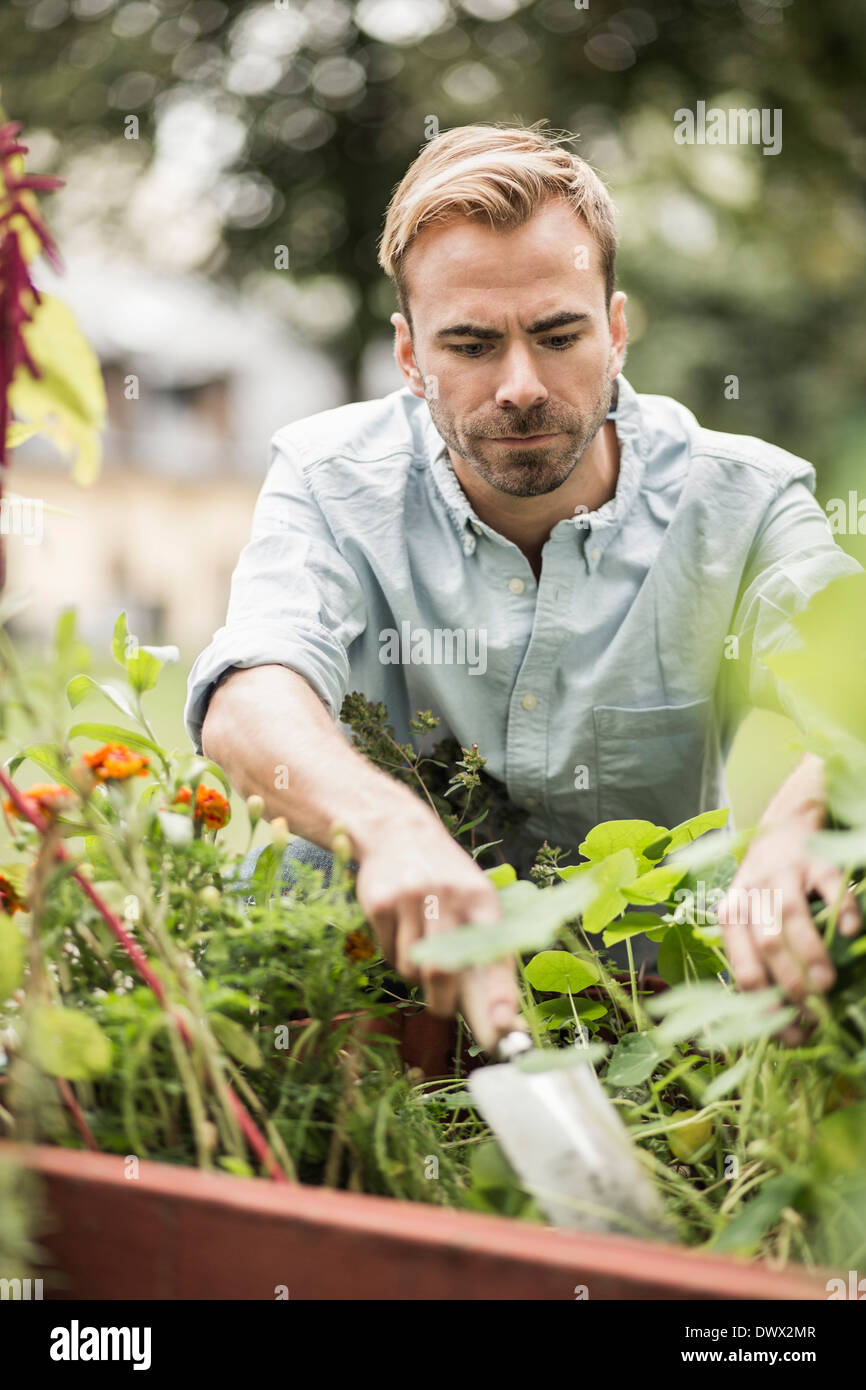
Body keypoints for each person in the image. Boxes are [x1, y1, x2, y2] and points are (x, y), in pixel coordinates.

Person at [184, 123, 862, 1054]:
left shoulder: (741, 499)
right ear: (410, 355)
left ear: (616, 332)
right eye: (469, 344)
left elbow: (854, 674)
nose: (519, 386)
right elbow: (250, 690)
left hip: (645, 1034)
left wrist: (802, 820)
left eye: (558, 335)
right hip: (357, 1023)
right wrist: (389, 826)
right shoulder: (328, 477)